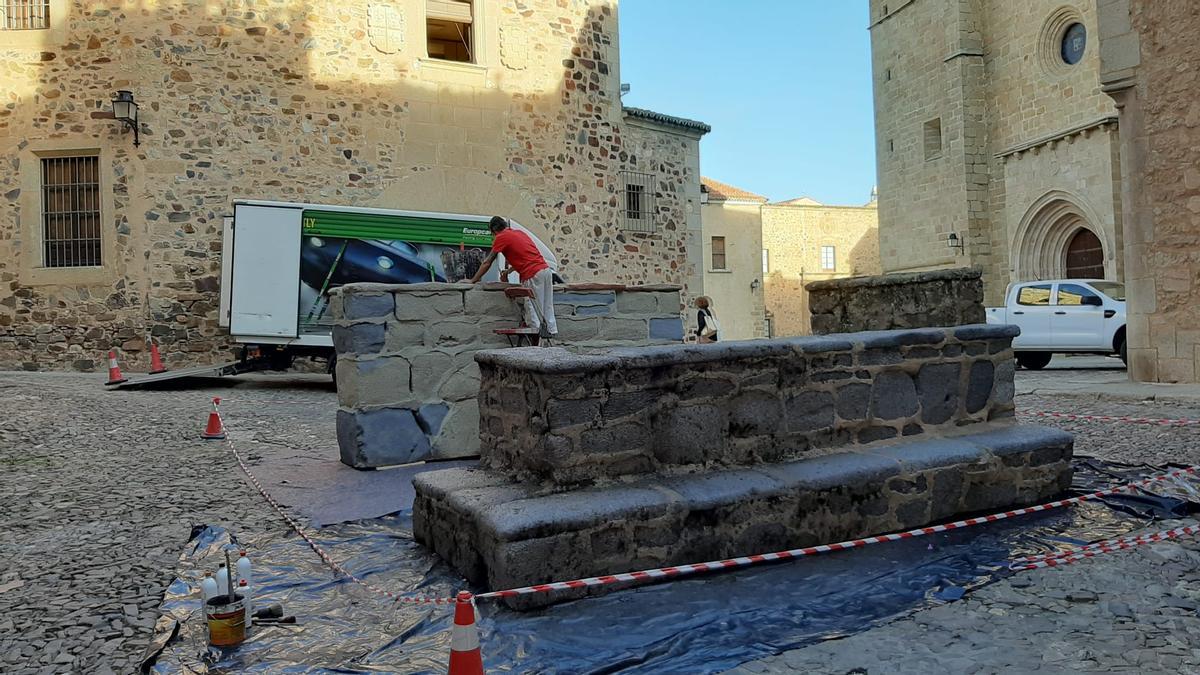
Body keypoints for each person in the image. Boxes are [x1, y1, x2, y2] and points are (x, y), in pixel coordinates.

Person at [469, 216, 558, 342]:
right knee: (547, 307)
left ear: (494, 230)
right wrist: (509, 271)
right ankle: (551, 335)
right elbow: (525, 256)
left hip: (532, 274)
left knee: (533, 307)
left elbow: (487, 262)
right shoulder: (519, 233)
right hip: (545, 270)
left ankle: (537, 342)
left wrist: (473, 280)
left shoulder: (501, 237)